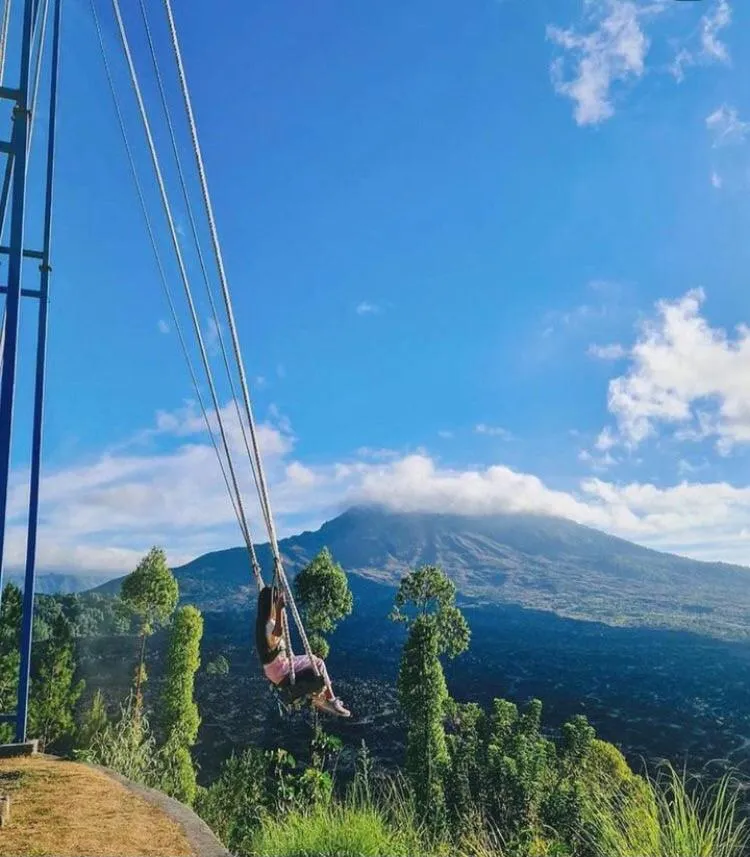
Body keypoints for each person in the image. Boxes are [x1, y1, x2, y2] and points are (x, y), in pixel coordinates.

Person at [255, 585, 350, 717]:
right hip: (280, 669)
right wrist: (279, 609)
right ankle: (331, 700)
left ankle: (320, 696)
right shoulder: (270, 624)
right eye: (275, 602)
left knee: (312, 660)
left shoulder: (261, 624)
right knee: (319, 663)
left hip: (272, 671)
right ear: (271, 605)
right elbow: (279, 631)